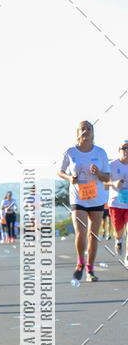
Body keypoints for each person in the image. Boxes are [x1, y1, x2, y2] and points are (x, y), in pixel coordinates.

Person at [58, 120, 110, 282]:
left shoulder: (101, 152)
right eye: (82, 129)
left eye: (88, 129)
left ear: (93, 133)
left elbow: (107, 177)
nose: (85, 131)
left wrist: (98, 172)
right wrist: (69, 177)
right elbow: (60, 171)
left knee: (93, 235)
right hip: (78, 196)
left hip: (96, 198)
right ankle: (80, 262)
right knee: (80, 232)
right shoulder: (70, 152)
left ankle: (90, 269)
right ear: (77, 133)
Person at [104, 140, 128, 268]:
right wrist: (114, 183)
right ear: (119, 150)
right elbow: (104, 183)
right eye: (124, 148)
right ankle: (118, 240)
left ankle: (127, 257)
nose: (127, 150)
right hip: (116, 203)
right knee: (118, 230)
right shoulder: (112, 165)